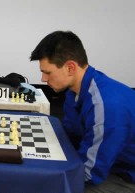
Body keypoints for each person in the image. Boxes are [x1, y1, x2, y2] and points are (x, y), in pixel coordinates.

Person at [30, 30, 135, 192]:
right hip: (109, 165)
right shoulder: (75, 92)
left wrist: (42, 178)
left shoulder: (106, 106)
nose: (43, 79)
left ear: (70, 67)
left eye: (47, 72)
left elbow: (90, 173)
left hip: (125, 177)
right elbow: (70, 139)